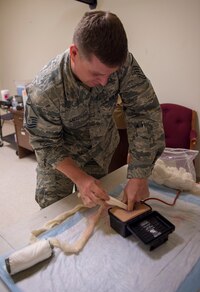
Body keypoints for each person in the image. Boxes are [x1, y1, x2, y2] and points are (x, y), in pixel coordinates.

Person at [25, 10, 165, 210]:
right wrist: (80, 179)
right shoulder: (45, 89)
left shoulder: (123, 64)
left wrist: (139, 174)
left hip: (100, 150)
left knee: (97, 210)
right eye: (97, 74)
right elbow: (45, 143)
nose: (105, 82)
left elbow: (144, 112)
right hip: (59, 161)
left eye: (111, 74)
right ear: (74, 53)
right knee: (55, 214)